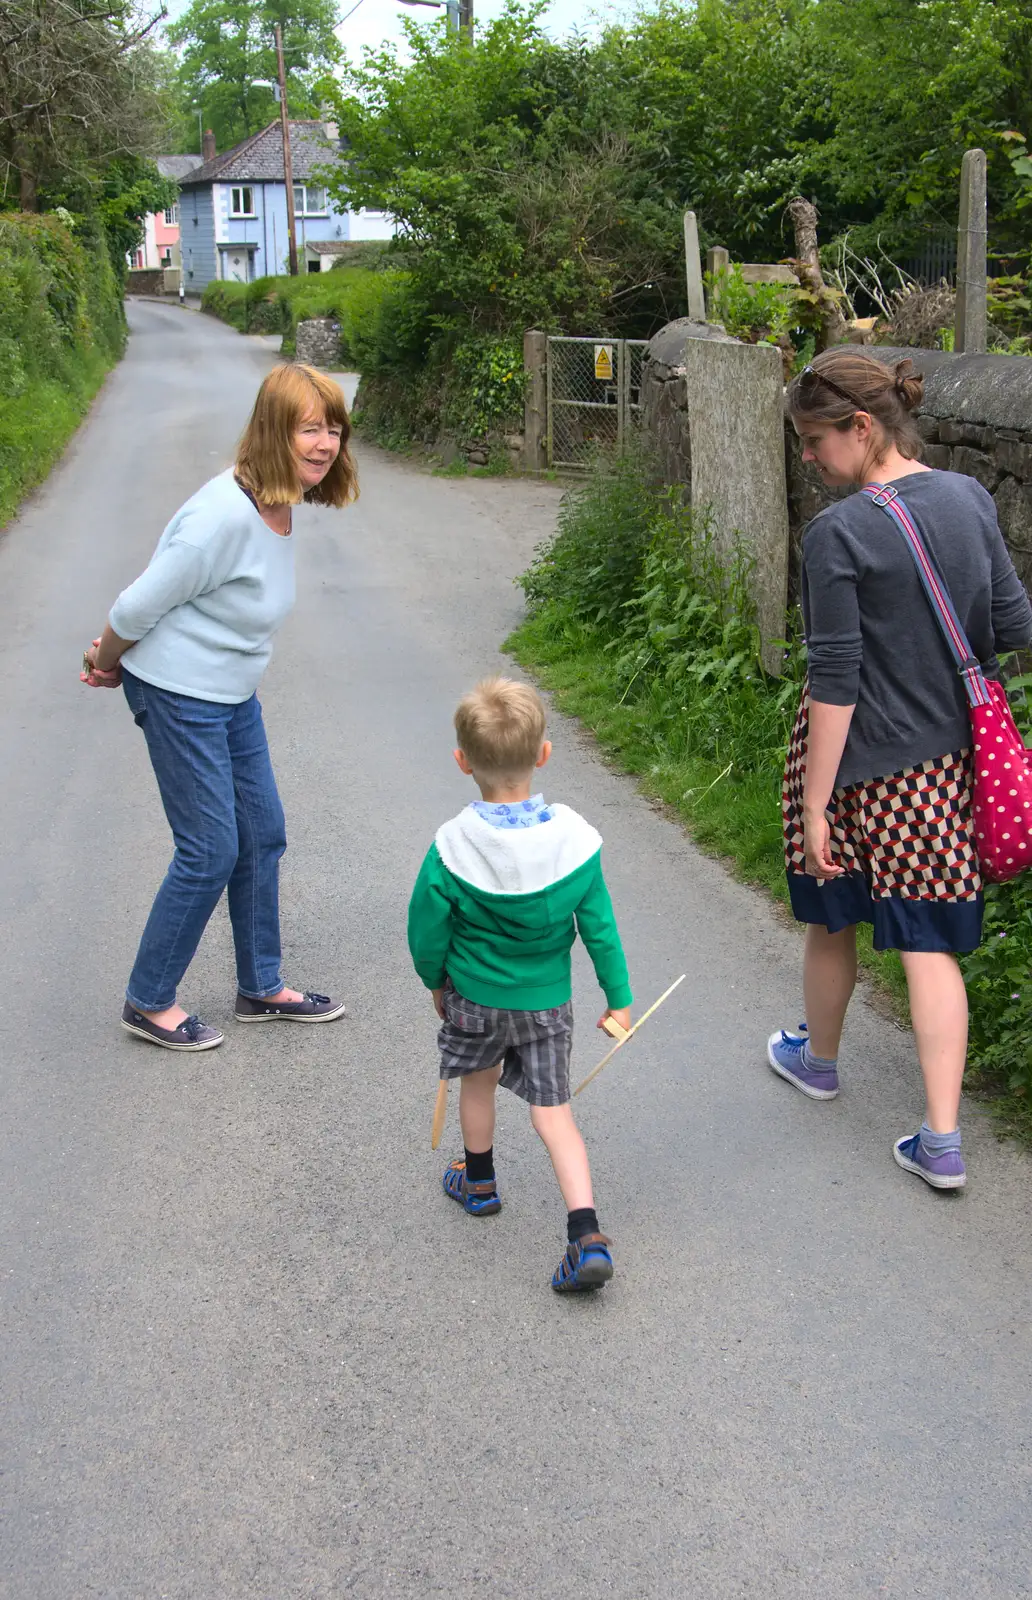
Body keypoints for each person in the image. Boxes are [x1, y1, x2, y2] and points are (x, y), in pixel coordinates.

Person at [770, 348, 1032, 1189]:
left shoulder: (836, 534)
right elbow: (1013, 621)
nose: (808, 460)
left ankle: (820, 1062)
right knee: (927, 945)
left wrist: (815, 807)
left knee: (832, 909)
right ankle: (941, 1140)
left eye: (815, 442)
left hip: (860, 765)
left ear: (862, 426)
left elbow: (836, 681)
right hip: (951, 761)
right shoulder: (966, 495)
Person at [81, 362, 358, 1052]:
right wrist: (106, 660)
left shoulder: (280, 499)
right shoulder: (220, 517)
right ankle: (148, 1000)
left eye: (333, 428)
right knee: (210, 850)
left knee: (262, 834)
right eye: (310, 428)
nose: (325, 443)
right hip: (179, 695)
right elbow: (136, 605)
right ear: (274, 430)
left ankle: (261, 987)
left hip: (231, 693)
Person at [407, 678, 633, 1291]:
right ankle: (585, 1233)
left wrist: (436, 981)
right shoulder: (574, 846)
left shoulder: (453, 847)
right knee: (554, 1114)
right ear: (543, 754)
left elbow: (428, 926)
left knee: (477, 1083)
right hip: (546, 1005)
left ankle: (478, 1181)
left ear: (462, 763)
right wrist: (619, 997)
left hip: (475, 998)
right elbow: (601, 929)